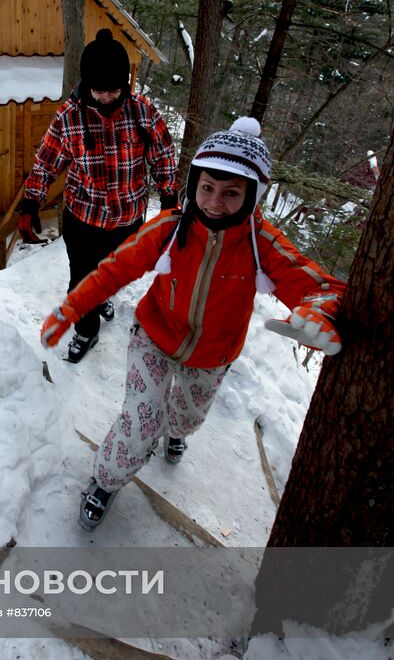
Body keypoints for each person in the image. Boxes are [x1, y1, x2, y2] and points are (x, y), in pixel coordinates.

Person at [40, 117, 345, 531]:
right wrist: (75, 306)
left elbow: (316, 285)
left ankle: (177, 431)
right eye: (207, 189)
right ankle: (106, 480)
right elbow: (115, 268)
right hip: (154, 336)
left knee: (185, 417)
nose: (215, 203)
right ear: (194, 185)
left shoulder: (261, 243)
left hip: (212, 354)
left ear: (252, 195)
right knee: (141, 419)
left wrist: (318, 310)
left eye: (231, 193)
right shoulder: (171, 226)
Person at [19, 28, 179, 363]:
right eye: (98, 89)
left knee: (112, 271)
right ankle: (86, 331)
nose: (106, 97)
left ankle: (103, 294)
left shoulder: (143, 113)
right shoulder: (69, 117)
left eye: (113, 89)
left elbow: (163, 156)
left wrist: (168, 201)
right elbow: (46, 162)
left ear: (126, 83)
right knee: (81, 279)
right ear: (86, 83)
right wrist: (30, 202)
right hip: (83, 218)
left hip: (127, 218)